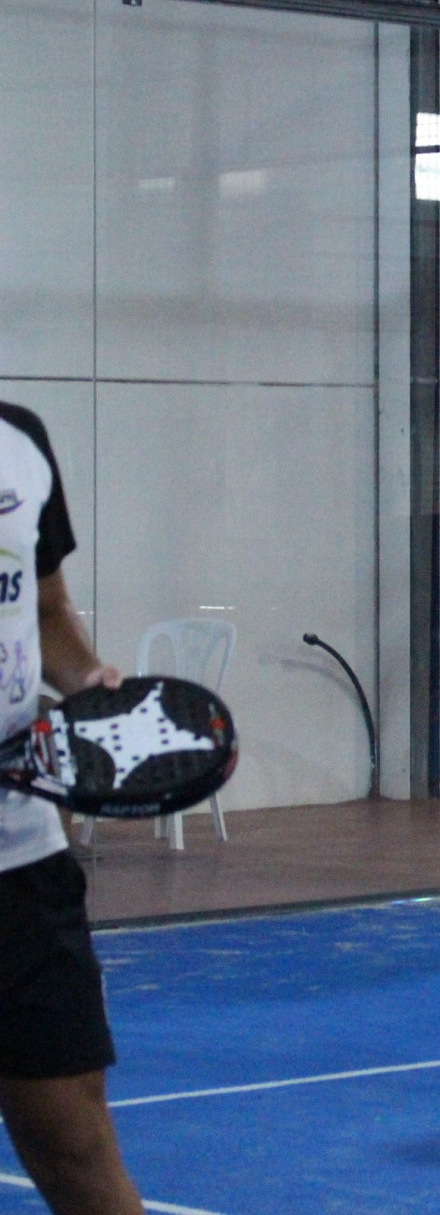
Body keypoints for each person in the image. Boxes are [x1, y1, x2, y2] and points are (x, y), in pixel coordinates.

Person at [0, 402, 144, 1215]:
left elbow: (46, 612)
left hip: (21, 855)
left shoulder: (19, 441)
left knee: (74, 1136)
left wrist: (87, 679)